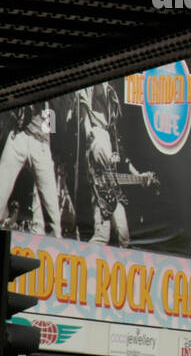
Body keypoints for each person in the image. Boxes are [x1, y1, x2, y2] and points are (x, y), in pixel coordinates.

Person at [77, 83, 156, 247]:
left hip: (112, 182)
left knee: (124, 234)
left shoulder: (111, 94)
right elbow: (85, 124)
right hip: (96, 148)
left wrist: (139, 176)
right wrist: (92, 142)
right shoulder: (88, 89)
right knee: (102, 236)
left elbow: (122, 156)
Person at [0, 103, 60, 234]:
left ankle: (54, 245)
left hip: (40, 141)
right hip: (18, 135)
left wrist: (51, 145)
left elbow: (53, 110)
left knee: (51, 211)